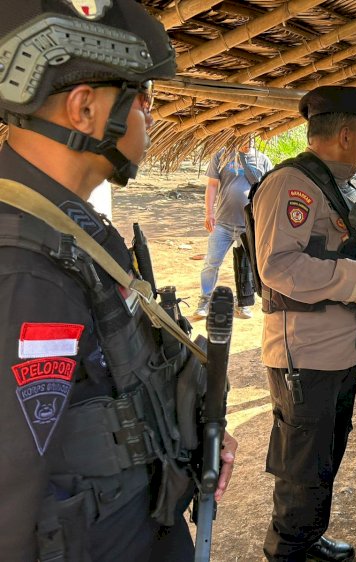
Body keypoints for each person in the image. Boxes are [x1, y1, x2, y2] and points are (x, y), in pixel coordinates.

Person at [0, 1, 237, 560]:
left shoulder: (72, 227)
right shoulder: (25, 268)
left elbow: (113, 382)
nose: (151, 116)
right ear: (85, 108)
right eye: (144, 99)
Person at [252, 85, 356, 562]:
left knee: (324, 462)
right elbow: (277, 266)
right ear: (345, 133)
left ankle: (308, 538)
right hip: (306, 355)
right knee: (302, 471)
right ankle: (288, 551)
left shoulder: (341, 185)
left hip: (340, 351)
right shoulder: (292, 185)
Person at [197, 138, 273, 318]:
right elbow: (212, 185)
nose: (250, 140)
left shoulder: (263, 160)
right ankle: (204, 301)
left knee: (247, 266)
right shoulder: (222, 155)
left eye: (253, 136)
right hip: (222, 223)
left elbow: (269, 192)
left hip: (249, 225)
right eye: (246, 136)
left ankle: (244, 303)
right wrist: (209, 213)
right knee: (211, 263)